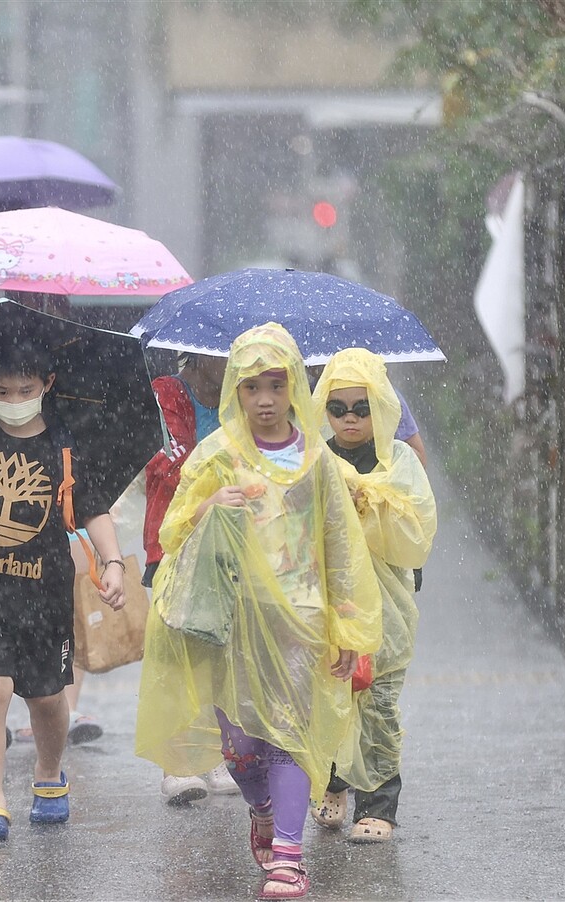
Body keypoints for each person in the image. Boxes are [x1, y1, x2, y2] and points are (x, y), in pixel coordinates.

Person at [135, 323, 381, 900]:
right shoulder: (217, 455)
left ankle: (289, 857)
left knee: (289, 736)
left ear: (294, 385)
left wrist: (347, 624)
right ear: (235, 391)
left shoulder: (317, 459)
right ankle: (262, 809)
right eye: (252, 387)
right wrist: (209, 507)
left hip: (301, 619)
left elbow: (340, 543)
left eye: (276, 385)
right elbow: (173, 533)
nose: (265, 399)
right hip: (233, 622)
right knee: (244, 750)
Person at [0, 336, 126, 842]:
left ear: (47, 384)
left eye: (24, 390)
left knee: (47, 697)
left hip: (45, 597)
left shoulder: (64, 442)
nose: (13, 401)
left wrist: (114, 563)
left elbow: (93, 509)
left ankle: (48, 770)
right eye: (1, 391)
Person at [310, 349, 437, 843]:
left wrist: (368, 500)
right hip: (329, 602)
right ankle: (332, 784)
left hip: (386, 606)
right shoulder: (315, 459)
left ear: (381, 407)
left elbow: (416, 528)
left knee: (378, 701)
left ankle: (379, 805)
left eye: (361, 408)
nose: (349, 418)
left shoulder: (398, 459)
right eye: (337, 408)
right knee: (331, 696)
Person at [143, 351, 241, 803]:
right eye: (225, 354)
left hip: (228, 543)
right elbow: (164, 465)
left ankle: (217, 753)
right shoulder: (166, 394)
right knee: (176, 650)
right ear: (199, 355)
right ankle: (178, 762)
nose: (233, 362)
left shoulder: (243, 396)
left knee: (220, 650)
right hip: (174, 538)